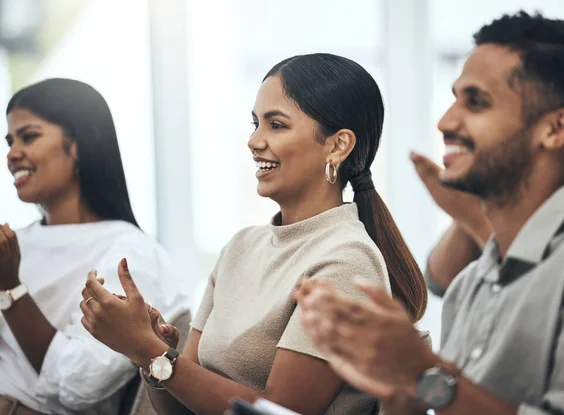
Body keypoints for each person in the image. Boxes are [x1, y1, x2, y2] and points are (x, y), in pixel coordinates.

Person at [78, 53, 428, 415]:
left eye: (276, 125)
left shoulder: (346, 258)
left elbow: (280, 412)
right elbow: (179, 409)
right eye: (255, 123)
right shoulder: (240, 247)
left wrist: (148, 351)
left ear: (337, 145)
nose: (254, 141)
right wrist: (153, 353)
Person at [296, 12, 564, 415]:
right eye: (455, 97)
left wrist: (423, 373)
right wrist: (397, 388)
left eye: (476, 102)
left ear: (556, 128)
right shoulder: (469, 285)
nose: (445, 122)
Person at [0, 78, 186, 414]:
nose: (12, 154)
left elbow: (81, 384)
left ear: (81, 144)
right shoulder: (14, 244)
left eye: (29, 136)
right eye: (9, 141)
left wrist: (11, 290)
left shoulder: (127, 252)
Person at [415, 128, 564, 297]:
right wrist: (474, 195)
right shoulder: (549, 177)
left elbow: (549, 300)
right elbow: (442, 280)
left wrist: (476, 219)